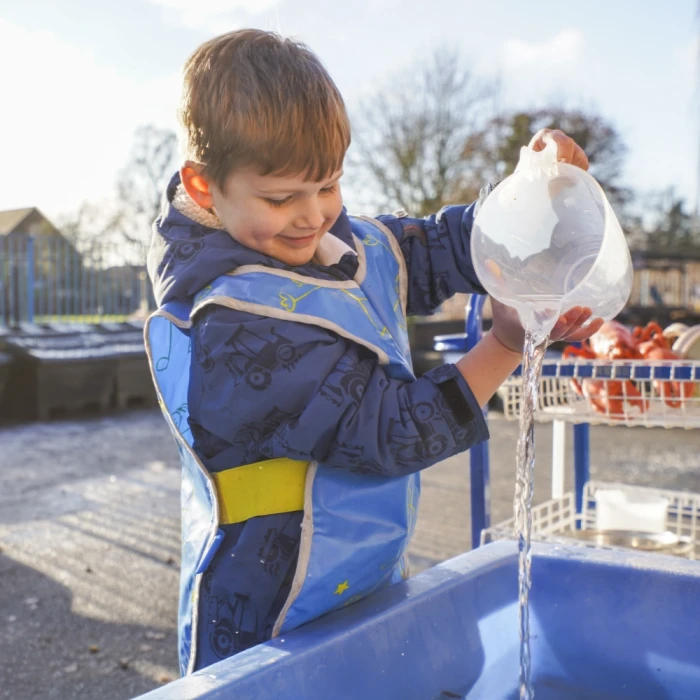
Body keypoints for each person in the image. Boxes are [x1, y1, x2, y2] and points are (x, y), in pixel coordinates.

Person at [146, 28, 601, 676]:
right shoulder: (229, 324)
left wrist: (532, 194)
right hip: (271, 621)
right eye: (282, 197)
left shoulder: (333, 242)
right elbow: (391, 430)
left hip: (360, 583)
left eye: (328, 185)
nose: (313, 215)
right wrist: (506, 343)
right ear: (202, 184)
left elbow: (438, 246)